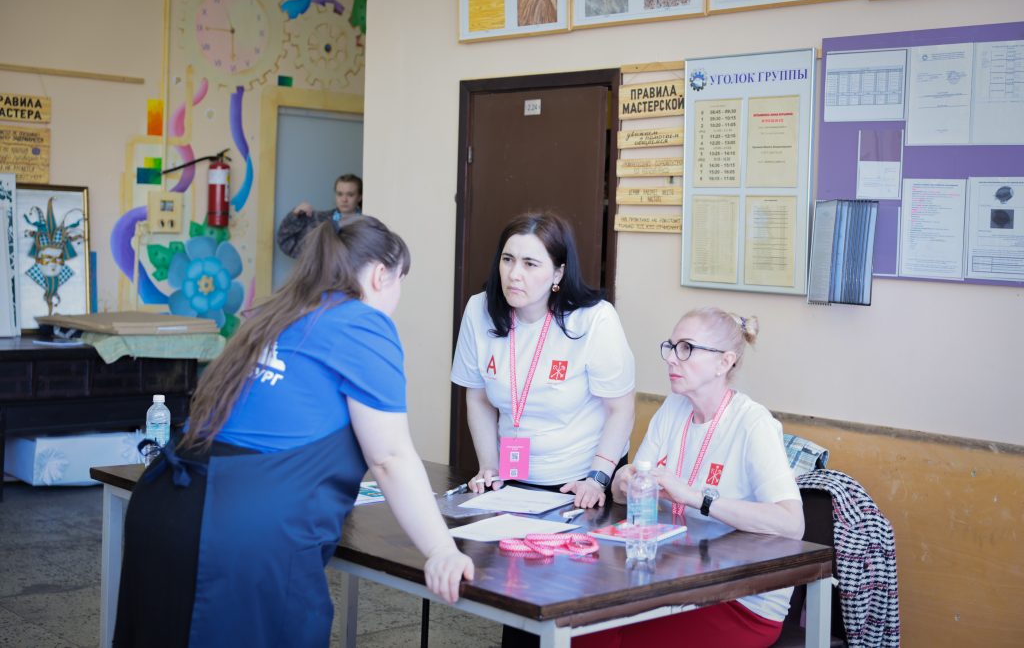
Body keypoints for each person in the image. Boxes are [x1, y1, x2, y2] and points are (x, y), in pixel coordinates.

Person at [114, 215, 474, 648]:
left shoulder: (277, 314)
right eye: (401, 282)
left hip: (165, 505)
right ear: (382, 275)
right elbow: (389, 457)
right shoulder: (363, 322)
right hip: (242, 527)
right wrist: (441, 550)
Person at [580, 307, 804, 648]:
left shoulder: (752, 423)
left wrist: (696, 498)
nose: (672, 358)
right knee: (585, 629)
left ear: (724, 362)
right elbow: (627, 491)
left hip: (740, 598)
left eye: (686, 348)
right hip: (673, 578)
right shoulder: (673, 408)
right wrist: (625, 480)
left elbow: (791, 524)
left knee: (612, 639)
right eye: (670, 347)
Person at [450, 211, 636, 510]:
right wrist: (490, 467)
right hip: (512, 478)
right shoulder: (478, 310)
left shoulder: (594, 318)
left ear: (558, 274)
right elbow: (479, 398)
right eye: (507, 259)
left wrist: (597, 479)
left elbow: (621, 409)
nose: (514, 274)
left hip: (581, 482)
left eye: (530, 264)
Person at [276, 173, 363, 258]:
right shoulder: (319, 221)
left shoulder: (366, 225)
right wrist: (295, 215)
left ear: (359, 197)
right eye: (340, 194)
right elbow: (285, 242)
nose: (344, 199)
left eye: (350, 195)